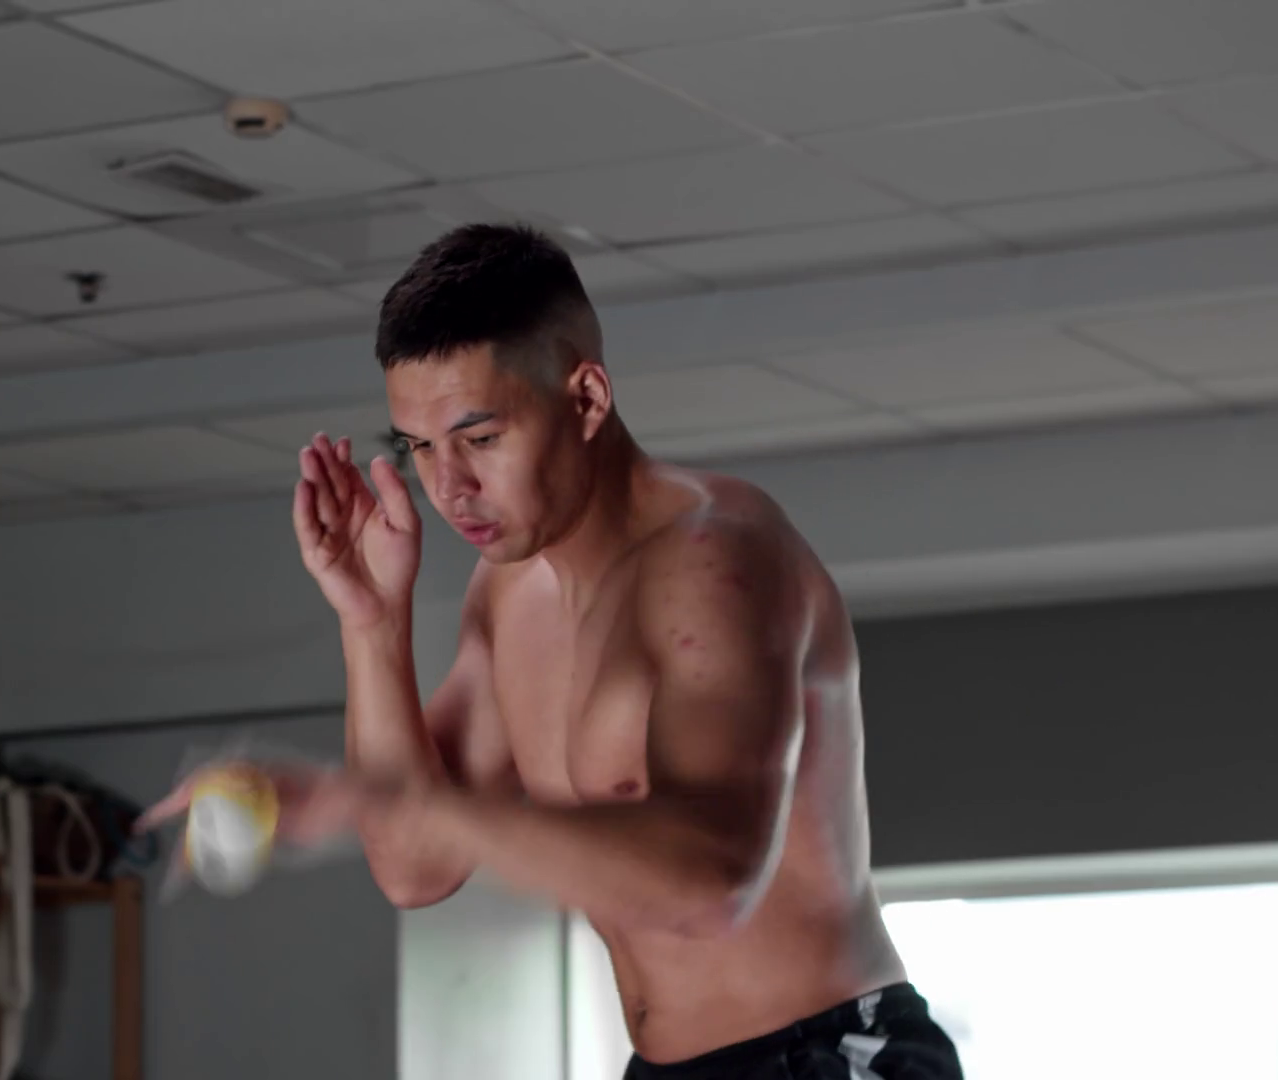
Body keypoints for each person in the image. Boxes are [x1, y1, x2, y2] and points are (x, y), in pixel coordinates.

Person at [147, 224, 962, 1079]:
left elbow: (711, 882)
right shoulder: (509, 593)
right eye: (419, 447)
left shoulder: (715, 559)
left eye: (480, 438)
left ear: (587, 398)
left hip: (826, 1054)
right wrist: (373, 623)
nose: (449, 487)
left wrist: (368, 798)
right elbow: (417, 868)